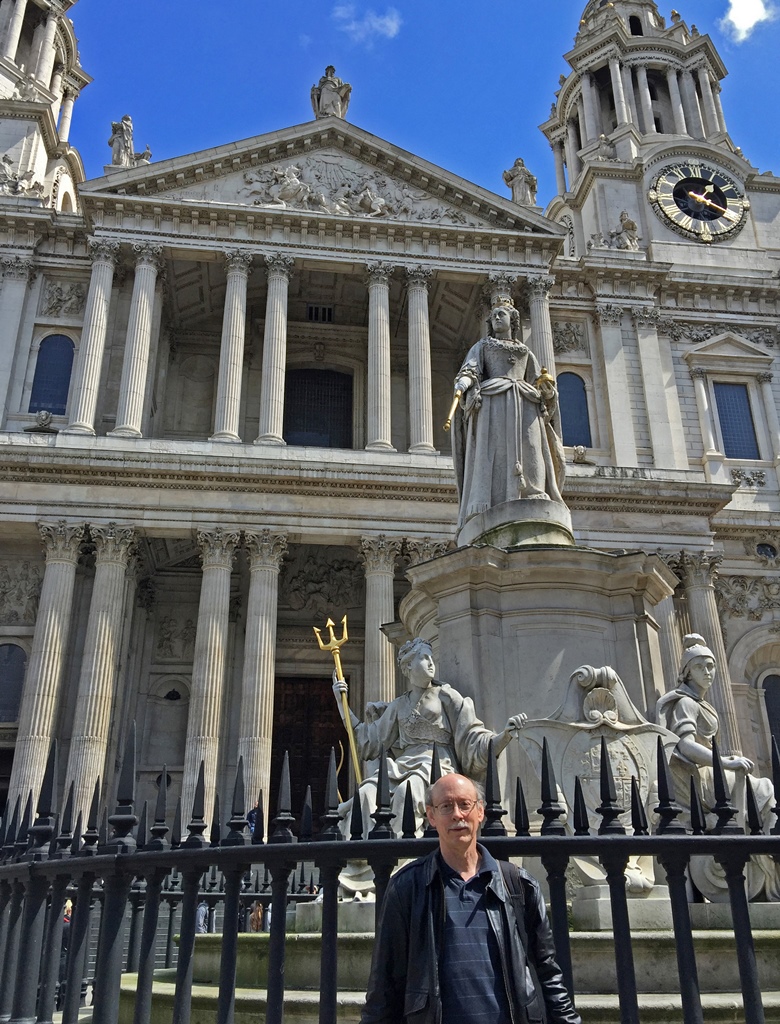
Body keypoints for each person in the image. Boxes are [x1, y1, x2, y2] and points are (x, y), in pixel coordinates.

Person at [362, 773, 581, 1024]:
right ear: (431, 817)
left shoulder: (519, 885)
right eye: (446, 806)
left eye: (465, 804)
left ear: (480, 812)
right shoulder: (407, 887)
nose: (457, 814)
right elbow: (384, 984)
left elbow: (547, 970)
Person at [333, 637, 526, 838]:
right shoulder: (398, 705)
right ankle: (362, 860)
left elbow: (471, 736)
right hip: (401, 766)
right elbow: (369, 740)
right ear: (408, 667)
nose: (432, 663)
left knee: (406, 793)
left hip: (436, 765)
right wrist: (342, 704)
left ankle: (401, 857)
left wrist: (503, 737)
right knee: (366, 794)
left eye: (431, 658)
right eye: (424, 658)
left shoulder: (447, 696)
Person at [656, 633, 779, 899]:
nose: (708, 672)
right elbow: (685, 745)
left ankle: (761, 855)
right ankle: (760, 852)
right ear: (687, 673)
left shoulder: (703, 704)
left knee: (760, 787)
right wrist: (723, 762)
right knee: (760, 787)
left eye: (711, 666)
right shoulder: (686, 702)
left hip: (709, 772)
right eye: (700, 667)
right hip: (697, 777)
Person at [451, 298, 566, 530]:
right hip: (493, 402)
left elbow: (538, 380)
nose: (496, 318)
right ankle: (484, 500)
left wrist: (548, 391)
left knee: (531, 445)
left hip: (524, 401)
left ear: (512, 320)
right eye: (493, 316)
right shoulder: (483, 346)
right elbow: (470, 370)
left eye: (501, 315)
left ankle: (534, 490)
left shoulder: (525, 351)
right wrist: (462, 384)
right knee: (491, 448)